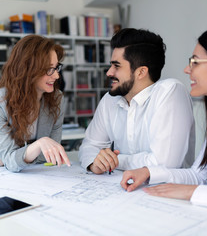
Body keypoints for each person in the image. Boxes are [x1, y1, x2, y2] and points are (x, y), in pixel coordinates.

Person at [121, 25, 207, 218]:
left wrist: (194, 193)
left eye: (195, 62)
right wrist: (149, 173)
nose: (187, 69)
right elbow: (198, 175)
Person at [78, 28, 195, 174]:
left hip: (166, 193)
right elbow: (89, 146)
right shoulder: (110, 99)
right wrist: (94, 163)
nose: (109, 72)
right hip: (122, 189)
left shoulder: (170, 91)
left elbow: (164, 164)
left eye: (117, 66)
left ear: (141, 72)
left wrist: (115, 160)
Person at [0, 35, 70, 172]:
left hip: (2, 154)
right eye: (49, 69)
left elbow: (50, 153)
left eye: (56, 67)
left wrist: (6, 158)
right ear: (29, 69)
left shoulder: (56, 99)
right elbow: (14, 161)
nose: (57, 76)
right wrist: (10, 158)